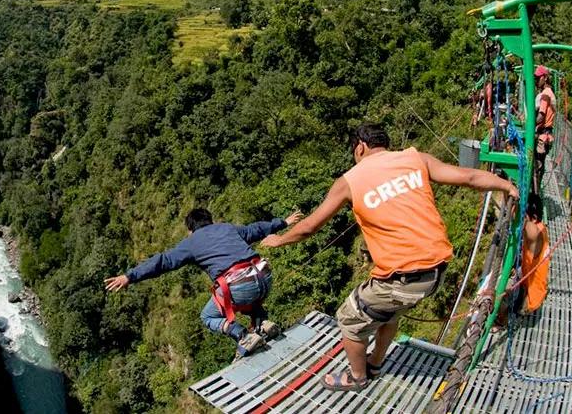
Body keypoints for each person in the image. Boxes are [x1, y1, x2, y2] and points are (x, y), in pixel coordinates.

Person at [260, 123, 518, 391]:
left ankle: (358, 377)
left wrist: (279, 239)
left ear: (360, 147)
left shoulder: (350, 180)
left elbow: (310, 226)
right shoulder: (415, 158)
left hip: (403, 279)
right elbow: (469, 177)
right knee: (388, 311)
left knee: (348, 318)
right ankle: (375, 361)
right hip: (437, 271)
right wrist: (505, 185)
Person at [105, 208, 303, 360]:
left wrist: (129, 276)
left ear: (190, 230)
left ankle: (243, 335)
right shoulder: (227, 228)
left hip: (239, 284)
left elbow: (162, 261)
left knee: (208, 315)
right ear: (211, 221)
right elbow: (257, 229)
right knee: (247, 294)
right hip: (263, 275)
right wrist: (284, 222)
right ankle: (263, 324)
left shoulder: (191, 243)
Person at [518, 193, 550, 314]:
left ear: (534, 218)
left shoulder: (536, 236)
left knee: (497, 299)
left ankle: (504, 320)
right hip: (532, 286)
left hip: (530, 299)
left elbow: (532, 232)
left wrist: (522, 218)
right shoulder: (542, 227)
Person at [534, 65, 557, 192]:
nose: (536, 81)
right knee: (539, 168)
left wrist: (531, 126)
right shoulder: (549, 93)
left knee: (537, 167)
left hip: (543, 136)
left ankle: (534, 197)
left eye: (538, 78)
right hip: (547, 135)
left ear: (545, 78)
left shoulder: (545, 95)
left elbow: (541, 116)